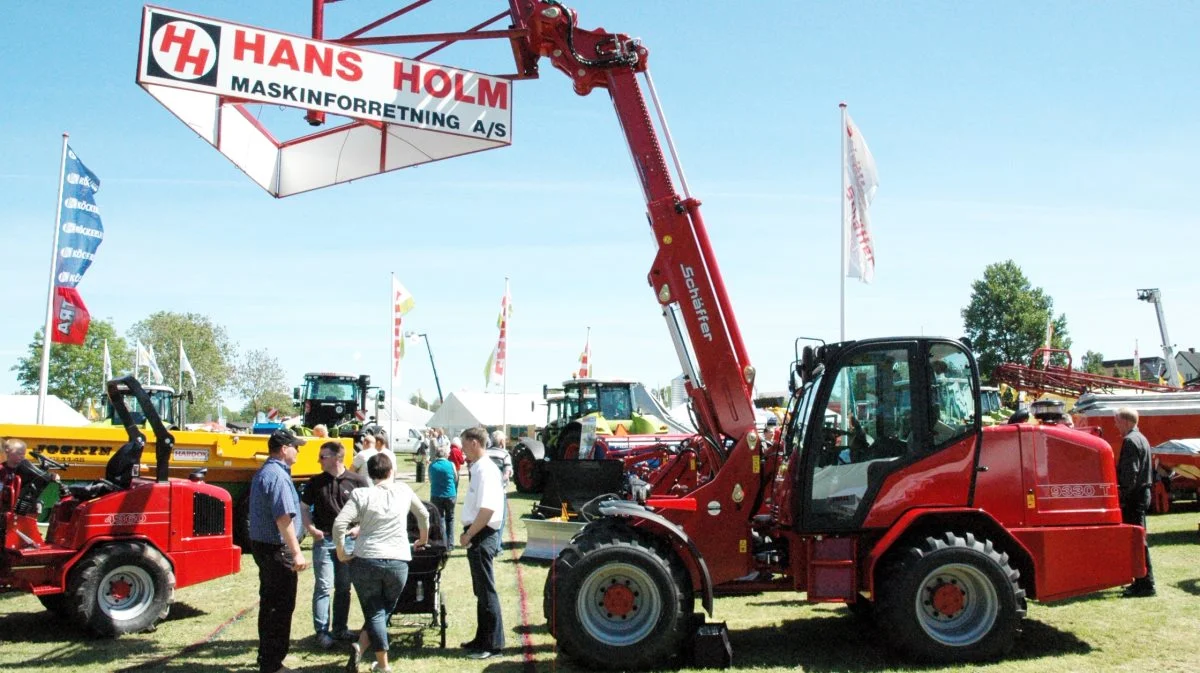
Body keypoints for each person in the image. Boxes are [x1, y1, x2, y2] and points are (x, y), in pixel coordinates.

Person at [334, 453, 429, 673]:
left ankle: (363, 647)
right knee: (382, 610)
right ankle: (382, 664)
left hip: (366, 559)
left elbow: (340, 525)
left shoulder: (361, 494)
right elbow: (423, 514)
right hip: (398, 560)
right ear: (391, 471)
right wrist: (422, 539)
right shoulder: (404, 490)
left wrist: (341, 551)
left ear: (370, 473)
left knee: (376, 610)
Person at [248, 428, 310, 673]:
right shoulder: (278, 476)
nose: (298, 451)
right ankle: (273, 664)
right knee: (280, 607)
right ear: (284, 449)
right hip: (277, 549)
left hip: (265, 547)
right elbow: (283, 518)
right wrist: (296, 552)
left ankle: (268, 659)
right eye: (296, 447)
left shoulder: (266, 471)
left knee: (270, 604)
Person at [301, 440, 370, 649]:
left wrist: (360, 528)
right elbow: (304, 507)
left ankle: (340, 628)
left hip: (348, 540)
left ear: (337, 458)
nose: (318, 460)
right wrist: (310, 528)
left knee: (343, 586)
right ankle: (322, 632)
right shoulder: (315, 482)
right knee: (323, 586)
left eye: (323, 457)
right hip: (324, 540)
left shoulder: (357, 481)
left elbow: (370, 508)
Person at [458, 427, 505, 660]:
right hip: (478, 531)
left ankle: (492, 644)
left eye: (465, 444)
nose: (462, 449)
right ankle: (481, 638)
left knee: (486, 590)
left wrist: (469, 535)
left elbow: (487, 509)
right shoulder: (479, 468)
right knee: (481, 590)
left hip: (482, 533)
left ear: (475, 443)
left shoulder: (485, 469)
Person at [1115, 407, 1155, 597]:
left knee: (1138, 541)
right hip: (1142, 493)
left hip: (1134, 496)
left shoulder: (1130, 441)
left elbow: (1130, 473)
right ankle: (1141, 581)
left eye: (1117, 421)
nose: (1116, 426)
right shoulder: (1142, 438)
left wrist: (1121, 495)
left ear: (1126, 421)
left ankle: (1146, 583)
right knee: (1138, 540)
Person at [427, 444, 457, 550]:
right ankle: (450, 543)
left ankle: (442, 542)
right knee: (450, 518)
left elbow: (430, 479)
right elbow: (455, 478)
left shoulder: (432, 466)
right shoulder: (451, 464)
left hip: (436, 495)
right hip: (450, 494)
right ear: (446, 455)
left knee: (439, 519)